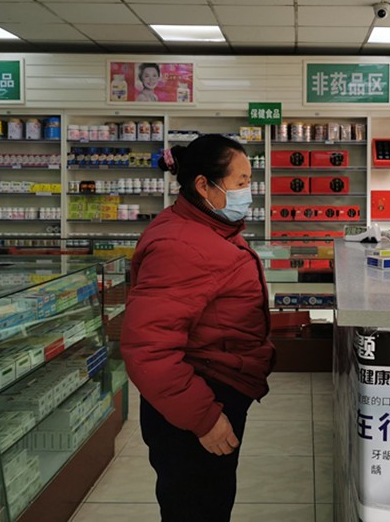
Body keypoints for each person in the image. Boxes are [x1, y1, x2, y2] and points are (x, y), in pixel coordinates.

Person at [121, 134, 275, 522]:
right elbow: (149, 350)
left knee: (207, 502)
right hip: (197, 401)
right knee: (196, 507)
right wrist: (204, 418)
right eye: (240, 182)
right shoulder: (181, 244)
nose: (248, 191)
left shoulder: (204, 228)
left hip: (208, 388)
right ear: (204, 185)